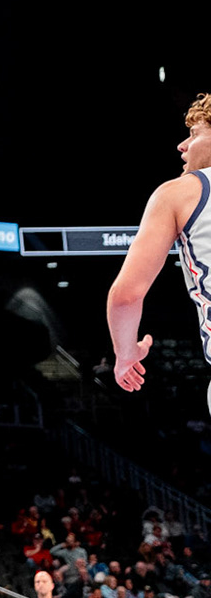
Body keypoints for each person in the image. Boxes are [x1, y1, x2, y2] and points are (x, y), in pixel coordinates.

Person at [108, 92, 211, 403]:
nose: (182, 145)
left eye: (194, 134)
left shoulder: (180, 193)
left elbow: (126, 296)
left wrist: (126, 355)